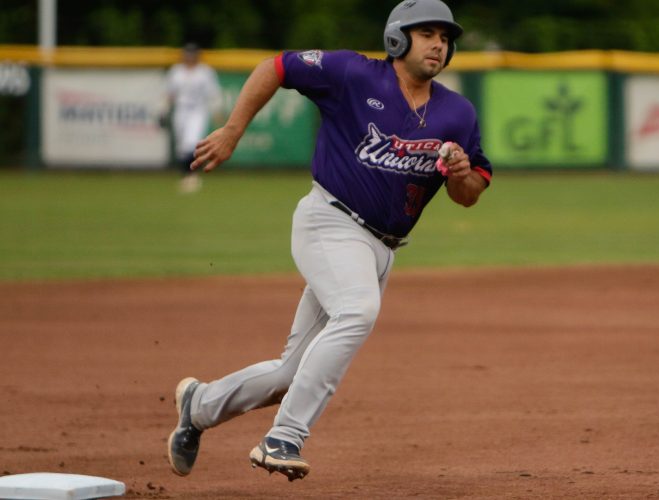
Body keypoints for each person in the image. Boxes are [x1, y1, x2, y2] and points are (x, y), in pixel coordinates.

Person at [167, 0, 493, 482]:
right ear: (397, 39)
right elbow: (275, 66)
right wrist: (233, 132)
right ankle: (286, 435)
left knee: (285, 375)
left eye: (445, 37)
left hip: (382, 250)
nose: (438, 44)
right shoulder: (352, 75)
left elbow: (470, 194)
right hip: (330, 222)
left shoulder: (456, 112)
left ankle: (200, 405)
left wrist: (462, 174)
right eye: (427, 33)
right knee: (358, 311)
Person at [164, 43, 223, 193]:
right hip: (181, 110)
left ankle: (191, 176)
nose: (190, 57)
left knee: (192, 143)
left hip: (198, 110)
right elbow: (169, 94)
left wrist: (217, 112)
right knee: (181, 148)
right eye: (187, 54)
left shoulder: (205, 72)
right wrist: (162, 110)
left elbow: (213, 94)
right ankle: (186, 176)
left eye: (192, 54)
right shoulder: (176, 71)